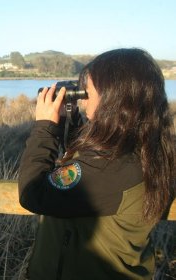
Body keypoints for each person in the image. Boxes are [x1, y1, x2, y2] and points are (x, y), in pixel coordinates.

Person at [18, 48, 175, 280]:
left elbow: (33, 192)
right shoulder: (147, 146)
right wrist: (67, 121)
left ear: (113, 97)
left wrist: (45, 127)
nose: (83, 98)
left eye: (88, 92)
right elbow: (92, 154)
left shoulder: (113, 166)